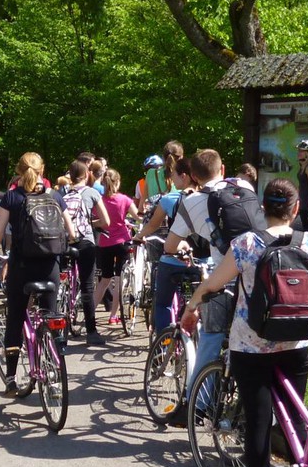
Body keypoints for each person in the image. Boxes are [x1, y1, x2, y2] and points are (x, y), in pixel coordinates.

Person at [181, 178, 308, 467]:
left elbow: (216, 282)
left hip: (252, 344)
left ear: (262, 208)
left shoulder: (247, 243)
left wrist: (193, 305)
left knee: (258, 423)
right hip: (296, 341)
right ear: (295, 208)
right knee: (295, 420)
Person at [0, 152, 75, 396]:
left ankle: (11, 379)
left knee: (15, 317)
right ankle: (53, 374)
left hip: (22, 265)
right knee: (51, 316)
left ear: (19, 171)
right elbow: (71, 232)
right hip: (50, 266)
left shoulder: (12, 196)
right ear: (43, 170)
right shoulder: (54, 196)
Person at [164, 149, 233, 403]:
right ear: (223, 169)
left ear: (193, 176)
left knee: (210, 340)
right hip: (255, 273)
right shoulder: (242, 187)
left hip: (222, 278)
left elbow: (170, 246)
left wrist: (187, 241)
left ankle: (197, 405)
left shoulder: (191, 202)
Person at [135, 158, 202, 335]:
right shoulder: (208, 198)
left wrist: (138, 236)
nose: (172, 180)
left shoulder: (170, 199)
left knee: (162, 303)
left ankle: (163, 343)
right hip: (202, 261)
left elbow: (152, 225)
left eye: (174, 175)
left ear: (184, 177)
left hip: (176, 258)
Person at [63, 160, 110, 345]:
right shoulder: (92, 192)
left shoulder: (61, 193)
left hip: (65, 241)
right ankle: (91, 332)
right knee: (87, 286)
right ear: (86, 174)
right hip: (85, 241)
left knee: (62, 278)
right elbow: (105, 221)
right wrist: (91, 223)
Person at [93, 169, 139, 326]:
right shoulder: (124, 199)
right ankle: (113, 315)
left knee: (104, 280)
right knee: (120, 280)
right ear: (118, 182)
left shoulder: (99, 200)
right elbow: (137, 217)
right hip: (122, 242)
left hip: (104, 243)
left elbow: (93, 218)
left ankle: (90, 314)